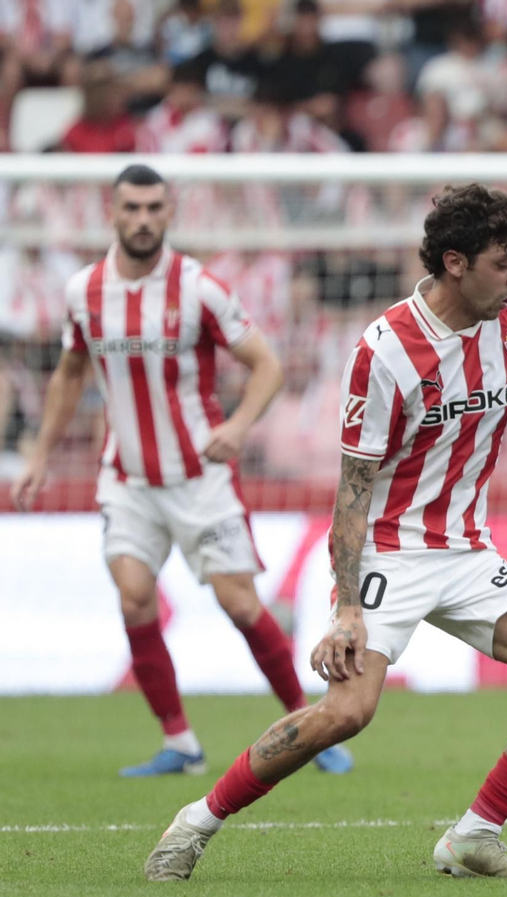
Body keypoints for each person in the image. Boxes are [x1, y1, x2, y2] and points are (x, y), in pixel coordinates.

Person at [141, 184, 507, 882]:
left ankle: (475, 834)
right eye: (504, 262)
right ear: (455, 262)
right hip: (392, 551)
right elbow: (353, 490)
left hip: (467, 551)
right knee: (347, 712)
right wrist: (346, 607)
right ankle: (195, 822)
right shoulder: (386, 352)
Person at [11, 164, 351, 778]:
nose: (142, 219)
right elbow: (68, 374)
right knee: (135, 597)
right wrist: (38, 454)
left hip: (201, 478)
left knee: (240, 603)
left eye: (153, 208)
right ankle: (181, 743)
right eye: (131, 208)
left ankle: (311, 727)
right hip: (129, 478)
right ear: (112, 213)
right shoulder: (84, 291)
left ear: (170, 213)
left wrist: (239, 426)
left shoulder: (199, 288)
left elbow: (267, 366)